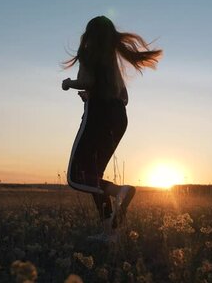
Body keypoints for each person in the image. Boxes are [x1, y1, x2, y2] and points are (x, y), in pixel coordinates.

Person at [62, 16, 162, 243]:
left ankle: (121, 192)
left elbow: (86, 81)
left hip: (98, 117)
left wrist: (69, 83)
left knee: (78, 175)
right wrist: (92, 95)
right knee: (94, 176)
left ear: (89, 34)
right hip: (118, 118)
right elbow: (123, 98)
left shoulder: (89, 54)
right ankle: (110, 233)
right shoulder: (111, 63)